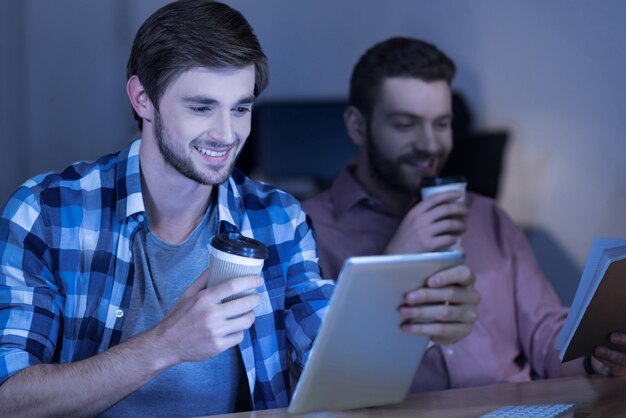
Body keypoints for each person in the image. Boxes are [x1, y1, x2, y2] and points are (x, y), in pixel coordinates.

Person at [0, 3, 479, 416]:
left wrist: (418, 324)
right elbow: (9, 399)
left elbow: (329, 352)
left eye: (241, 108)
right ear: (143, 99)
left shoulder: (277, 218)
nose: (227, 134)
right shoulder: (46, 211)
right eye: (202, 107)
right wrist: (166, 345)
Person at [303, 36, 626, 392]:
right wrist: (397, 257)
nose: (430, 145)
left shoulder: (488, 218)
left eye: (441, 124)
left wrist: (594, 357)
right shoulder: (306, 230)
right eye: (406, 124)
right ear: (357, 126)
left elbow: (546, 331)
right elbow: (319, 378)